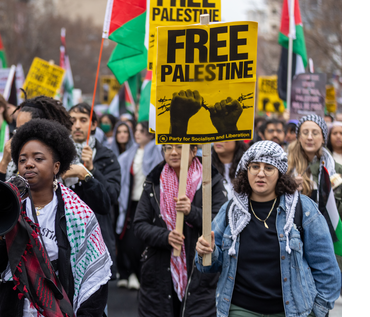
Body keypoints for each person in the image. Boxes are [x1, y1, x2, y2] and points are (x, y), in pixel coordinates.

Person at [0, 119, 112, 317]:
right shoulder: (6, 207)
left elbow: (94, 279)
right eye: (22, 160)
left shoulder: (78, 213)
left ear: (56, 166)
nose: (29, 164)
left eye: (38, 159)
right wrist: (2, 235)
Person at [195, 141, 342, 317]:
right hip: (240, 310)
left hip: (291, 311)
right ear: (246, 171)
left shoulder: (302, 209)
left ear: (279, 173)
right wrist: (206, 252)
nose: (261, 173)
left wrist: (316, 311)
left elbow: (327, 268)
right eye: (255, 166)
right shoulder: (231, 210)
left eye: (269, 168)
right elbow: (207, 266)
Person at [132, 143, 226, 317]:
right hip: (159, 270)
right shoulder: (154, 181)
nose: (173, 152)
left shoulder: (210, 180)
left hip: (199, 272)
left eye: (179, 147)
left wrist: (192, 212)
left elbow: (220, 221)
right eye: (168, 147)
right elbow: (139, 225)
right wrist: (165, 237)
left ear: (193, 151)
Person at [67, 103, 121, 280]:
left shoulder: (106, 157)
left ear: (94, 124)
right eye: (72, 120)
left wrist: (91, 171)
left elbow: (110, 198)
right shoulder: (56, 155)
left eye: (83, 120)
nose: (77, 125)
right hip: (66, 240)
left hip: (96, 239)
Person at [287, 114, 342, 269]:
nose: (309, 137)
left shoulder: (335, 170)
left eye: (315, 133)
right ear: (298, 137)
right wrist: (287, 187)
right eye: (305, 133)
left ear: (323, 138)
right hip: (293, 241)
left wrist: (331, 193)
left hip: (326, 241)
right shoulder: (285, 167)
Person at [114, 121, 162, 290]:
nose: (137, 133)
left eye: (142, 131)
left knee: (145, 241)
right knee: (129, 242)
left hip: (150, 204)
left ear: (150, 134)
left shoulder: (158, 151)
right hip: (131, 204)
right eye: (137, 130)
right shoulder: (130, 154)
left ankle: (142, 276)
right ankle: (134, 272)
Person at [0, 95, 73, 182]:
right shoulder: (12, 161)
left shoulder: (67, 163)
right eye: (17, 130)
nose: (19, 135)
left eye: (39, 159)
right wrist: (4, 162)